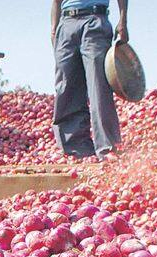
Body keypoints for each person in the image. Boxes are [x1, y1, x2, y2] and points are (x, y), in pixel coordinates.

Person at [51, 0, 126, 160]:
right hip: (67, 22)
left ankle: (107, 148)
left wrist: (122, 20)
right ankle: (75, 148)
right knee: (65, 85)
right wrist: (54, 30)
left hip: (95, 20)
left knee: (98, 86)